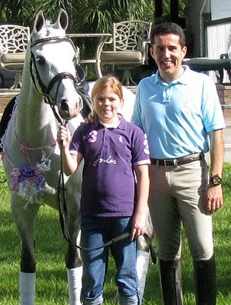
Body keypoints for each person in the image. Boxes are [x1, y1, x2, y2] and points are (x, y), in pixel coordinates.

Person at [131, 22, 225, 305]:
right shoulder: (145, 87)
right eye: (160, 48)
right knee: (168, 251)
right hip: (156, 176)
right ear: (151, 52)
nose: (166, 54)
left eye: (172, 48)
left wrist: (215, 182)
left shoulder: (201, 84)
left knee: (203, 248)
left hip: (192, 173)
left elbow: (216, 135)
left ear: (183, 51)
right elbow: (135, 133)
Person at [57, 75, 150, 305]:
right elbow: (69, 170)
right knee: (92, 280)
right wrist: (63, 145)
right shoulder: (84, 131)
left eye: (111, 99)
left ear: (120, 101)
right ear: (93, 100)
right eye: (100, 99)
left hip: (125, 217)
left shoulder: (133, 133)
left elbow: (144, 176)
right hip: (92, 218)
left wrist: (140, 214)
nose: (105, 104)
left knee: (127, 279)